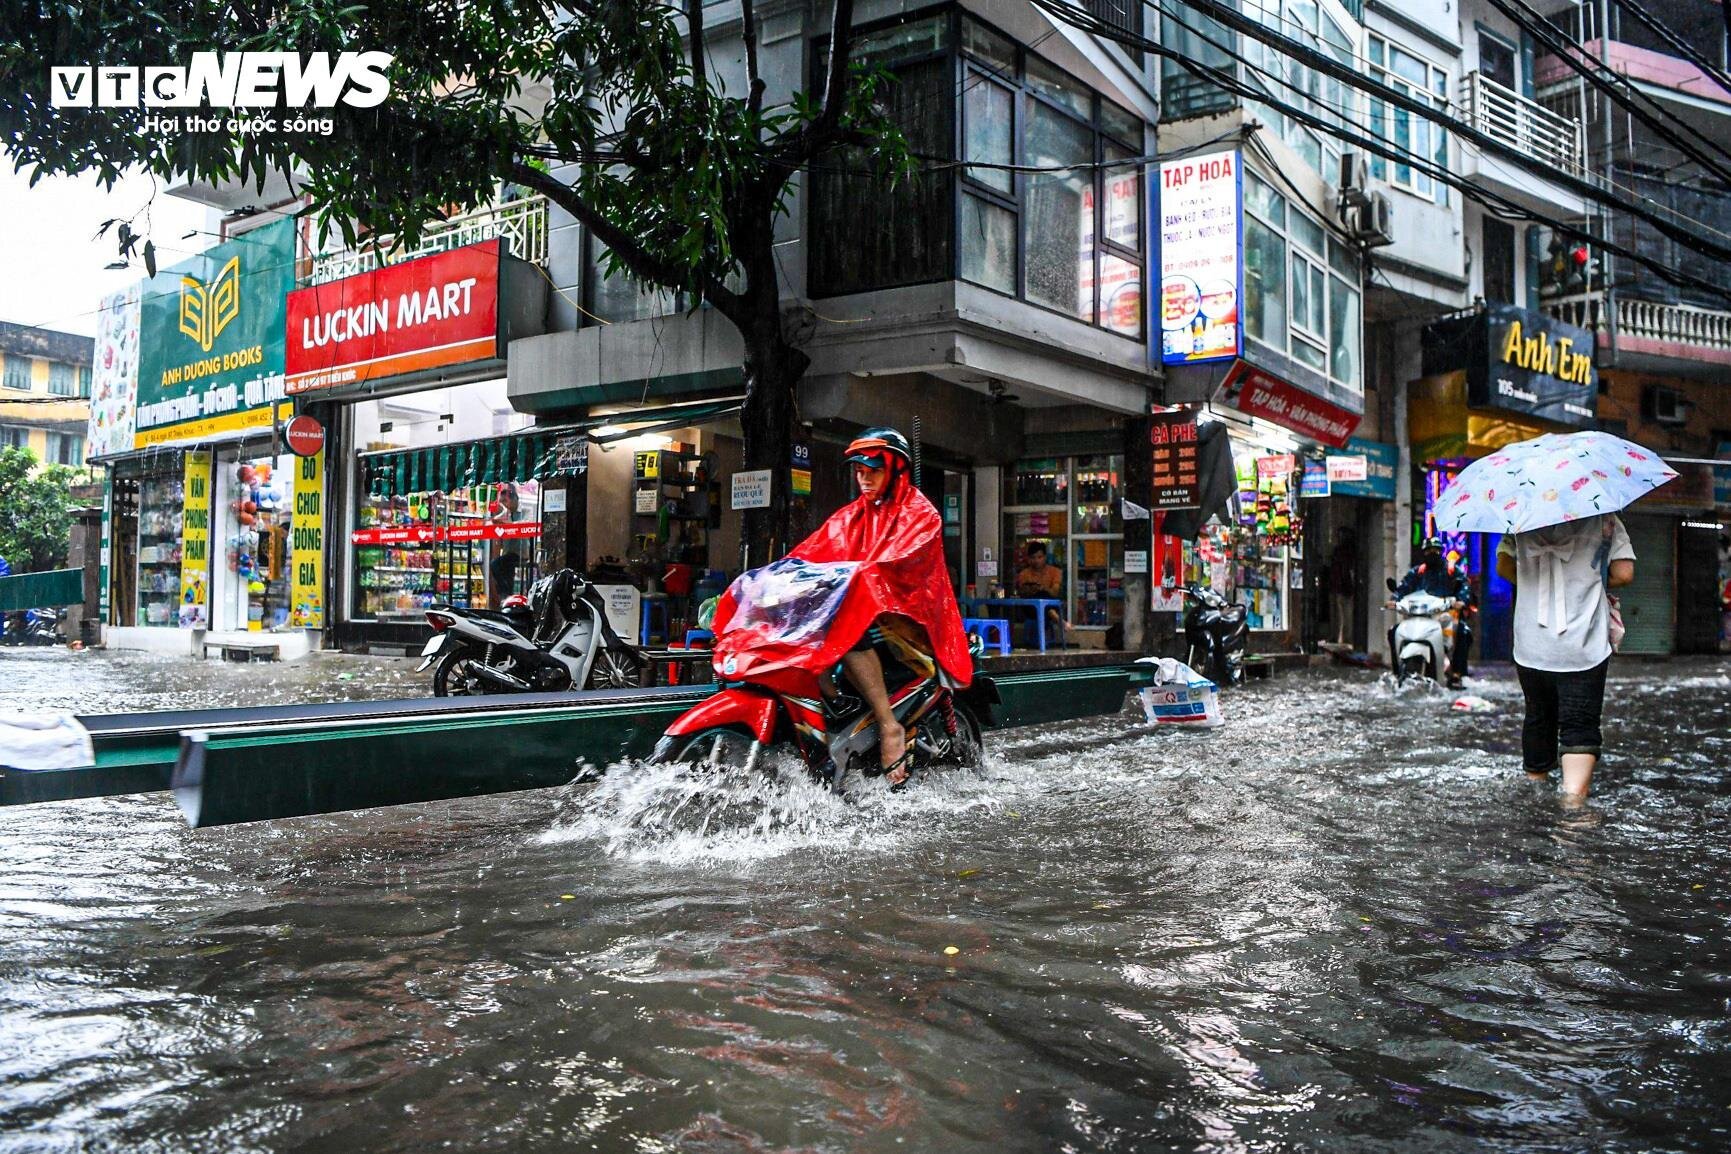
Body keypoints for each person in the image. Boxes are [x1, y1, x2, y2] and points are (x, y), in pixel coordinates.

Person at [1497, 514, 1635, 802]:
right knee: (1580, 722)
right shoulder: (1605, 520)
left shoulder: (1520, 519)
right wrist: (1591, 580)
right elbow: (1624, 573)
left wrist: (1533, 584)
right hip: (1583, 642)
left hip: (1532, 642)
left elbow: (1503, 566)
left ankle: (1536, 790)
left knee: (1538, 715)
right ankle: (1573, 802)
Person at [1388, 536, 1473, 687]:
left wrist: (1461, 600)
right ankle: (1396, 671)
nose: (1432, 553)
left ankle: (1457, 673)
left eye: (1435, 550)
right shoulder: (1418, 572)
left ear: (1441, 552)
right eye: (1428, 550)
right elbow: (1404, 587)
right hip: (1418, 614)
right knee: (1393, 631)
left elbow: (1464, 585)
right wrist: (1394, 599)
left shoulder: (1452, 570)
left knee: (1463, 631)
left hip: (1444, 614)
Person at [1014, 540, 1064, 641]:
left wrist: (1042, 588)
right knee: (1038, 596)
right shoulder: (1024, 574)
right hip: (1030, 608)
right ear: (1028, 559)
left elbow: (1055, 592)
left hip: (1050, 603)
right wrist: (1032, 590)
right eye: (1033, 558)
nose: (1036, 561)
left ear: (1045, 557)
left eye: (1039, 557)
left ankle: (1041, 638)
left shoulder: (1055, 572)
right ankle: (1059, 620)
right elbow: (1022, 593)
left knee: (1043, 595)